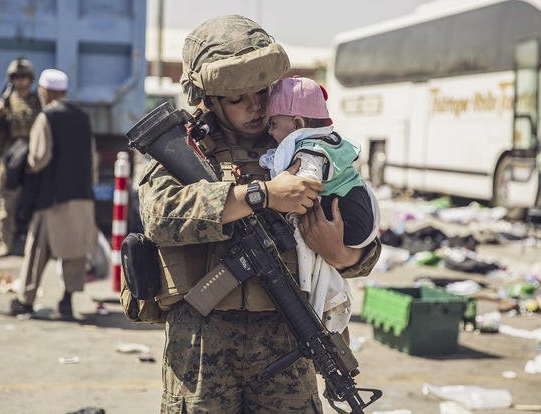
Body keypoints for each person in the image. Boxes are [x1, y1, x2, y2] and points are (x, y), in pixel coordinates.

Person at [138, 15, 382, 413]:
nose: (255, 106)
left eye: (261, 92)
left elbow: (361, 233)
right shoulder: (184, 148)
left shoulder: (304, 147)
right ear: (211, 99)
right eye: (238, 98)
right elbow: (161, 216)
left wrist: (341, 253)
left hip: (288, 334)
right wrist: (262, 194)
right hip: (203, 345)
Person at [260, 76, 380, 333]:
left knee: (320, 282)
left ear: (298, 123)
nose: (269, 132)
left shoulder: (311, 148)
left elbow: (306, 181)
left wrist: (273, 193)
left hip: (349, 221)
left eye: (273, 124)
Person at [4, 69, 97, 319]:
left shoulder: (47, 117)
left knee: (37, 249)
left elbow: (38, 158)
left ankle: (26, 299)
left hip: (52, 198)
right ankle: (67, 301)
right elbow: (92, 159)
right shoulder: (83, 117)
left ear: (47, 91)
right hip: (81, 196)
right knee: (74, 252)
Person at [0, 57, 42, 258]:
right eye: (16, 77)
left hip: (33, 159)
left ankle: (35, 245)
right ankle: (6, 243)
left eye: (24, 77)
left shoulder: (38, 102)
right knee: (6, 205)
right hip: (10, 160)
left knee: (36, 204)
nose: (21, 81)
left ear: (30, 79)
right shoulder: (3, 103)